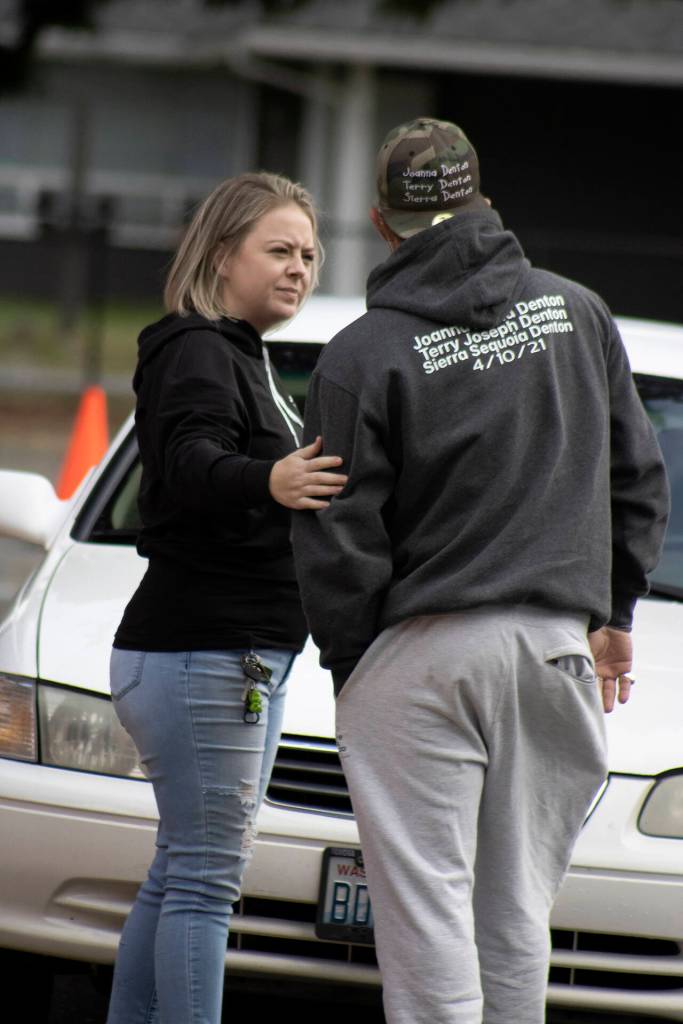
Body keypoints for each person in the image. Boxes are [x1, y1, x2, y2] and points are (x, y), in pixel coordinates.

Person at [291, 119, 670, 1024]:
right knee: (514, 921)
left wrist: (353, 665)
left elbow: (336, 526)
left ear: (382, 226)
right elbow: (636, 478)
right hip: (554, 654)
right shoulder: (577, 313)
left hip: (418, 654)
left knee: (427, 931)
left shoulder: (360, 352)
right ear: (485, 204)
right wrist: (613, 612)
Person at [106, 171, 347, 1024]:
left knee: (181, 871)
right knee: (205, 884)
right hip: (206, 648)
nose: (299, 269)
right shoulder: (199, 348)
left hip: (217, 651)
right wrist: (271, 477)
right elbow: (187, 461)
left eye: (310, 255)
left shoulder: (238, 351)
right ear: (220, 255)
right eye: (277, 250)